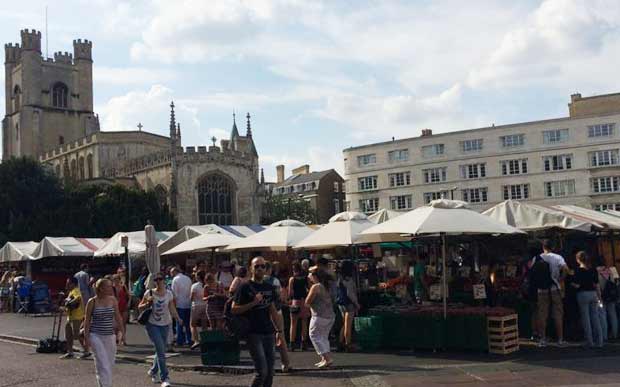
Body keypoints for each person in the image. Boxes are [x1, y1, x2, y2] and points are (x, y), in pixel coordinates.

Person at [232, 257, 285, 387]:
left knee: (270, 372)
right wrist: (253, 303)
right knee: (262, 371)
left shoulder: (269, 287)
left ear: (266, 269)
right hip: (253, 332)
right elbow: (234, 309)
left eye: (262, 266)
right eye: (257, 266)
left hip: (269, 332)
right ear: (251, 268)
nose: (260, 269)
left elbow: (272, 310)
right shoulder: (244, 287)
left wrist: (280, 331)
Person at [140, 272, 183, 387]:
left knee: (161, 350)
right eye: (156, 280)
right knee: (161, 351)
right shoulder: (149, 293)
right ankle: (165, 377)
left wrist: (178, 318)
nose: (158, 281)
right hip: (152, 324)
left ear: (164, 280)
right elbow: (139, 307)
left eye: (160, 279)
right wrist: (146, 303)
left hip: (165, 324)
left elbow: (172, 308)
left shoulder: (169, 294)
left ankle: (153, 371)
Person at [83, 278, 125, 387]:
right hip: (96, 335)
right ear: (101, 288)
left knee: (109, 363)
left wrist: (122, 332)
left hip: (109, 335)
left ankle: (103, 384)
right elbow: (87, 321)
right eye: (108, 286)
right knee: (102, 362)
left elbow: (118, 317)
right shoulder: (92, 301)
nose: (111, 288)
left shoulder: (113, 300)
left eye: (111, 286)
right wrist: (86, 339)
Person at [535, 239, 568, 347]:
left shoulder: (537, 258)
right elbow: (566, 269)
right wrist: (561, 279)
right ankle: (560, 340)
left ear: (543, 247)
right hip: (555, 288)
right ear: (552, 247)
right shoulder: (558, 257)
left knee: (542, 314)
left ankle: (543, 339)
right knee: (558, 314)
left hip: (541, 290)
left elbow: (531, 272)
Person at [571, 251, 604, 348]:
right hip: (593, 294)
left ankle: (590, 341)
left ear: (578, 260)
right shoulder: (593, 270)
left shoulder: (577, 271)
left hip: (583, 294)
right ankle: (600, 341)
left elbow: (577, 285)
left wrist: (571, 283)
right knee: (595, 318)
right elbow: (596, 285)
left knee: (586, 319)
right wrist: (599, 297)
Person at [306, 266, 335, 368]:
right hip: (330, 316)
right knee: (323, 337)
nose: (308, 275)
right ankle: (325, 359)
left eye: (310, 273)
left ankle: (327, 358)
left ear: (315, 276)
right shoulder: (326, 285)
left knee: (314, 335)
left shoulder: (315, 287)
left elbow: (307, 302)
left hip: (319, 316)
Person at [265, 261, 291, 373]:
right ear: (269, 269)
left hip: (262, 313)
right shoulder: (274, 280)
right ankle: (285, 365)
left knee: (265, 340)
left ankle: (266, 365)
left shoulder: (255, 281)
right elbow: (279, 296)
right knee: (280, 337)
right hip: (276, 310)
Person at [59, 277, 90, 359]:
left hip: (77, 317)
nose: (67, 285)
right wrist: (65, 308)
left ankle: (86, 351)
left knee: (78, 335)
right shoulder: (71, 292)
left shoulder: (76, 290)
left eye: (68, 283)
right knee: (68, 335)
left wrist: (69, 304)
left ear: (73, 284)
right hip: (70, 317)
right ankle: (70, 352)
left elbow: (78, 298)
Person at [337, 260, 360, 352]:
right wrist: (356, 303)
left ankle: (340, 342)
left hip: (341, 303)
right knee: (348, 325)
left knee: (344, 324)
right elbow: (350, 293)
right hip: (349, 303)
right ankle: (348, 344)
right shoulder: (349, 279)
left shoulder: (340, 279)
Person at [288, 262, 310, 351]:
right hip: (304, 301)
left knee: (293, 324)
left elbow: (290, 293)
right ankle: (303, 343)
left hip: (295, 302)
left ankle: (292, 343)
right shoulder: (306, 278)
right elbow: (309, 288)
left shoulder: (292, 279)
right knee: (304, 323)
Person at [596, 258, 618, 340]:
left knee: (602, 315)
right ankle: (615, 334)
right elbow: (617, 283)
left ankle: (604, 336)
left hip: (601, 295)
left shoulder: (596, 271)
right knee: (613, 314)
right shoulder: (613, 269)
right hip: (611, 296)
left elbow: (596, 283)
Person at [170, 267, 192, 346]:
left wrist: (173, 305)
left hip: (179, 304)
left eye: (171, 273)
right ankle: (189, 339)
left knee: (179, 323)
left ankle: (180, 340)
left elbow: (174, 294)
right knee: (187, 324)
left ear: (174, 272)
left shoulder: (175, 280)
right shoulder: (188, 278)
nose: (171, 275)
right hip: (188, 304)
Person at [190, 270, 208, 350]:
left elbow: (191, 298)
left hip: (196, 305)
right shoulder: (206, 285)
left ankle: (196, 340)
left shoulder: (195, 286)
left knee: (193, 324)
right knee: (204, 324)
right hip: (205, 305)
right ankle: (205, 340)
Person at [112, 275, 129, 345]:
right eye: (114, 279)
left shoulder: (123, 287)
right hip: (116, 307)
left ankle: (123, 339)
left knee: (123, 324)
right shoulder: (112, 288)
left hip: (124, 306)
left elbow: (129, 295)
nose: (116, 281)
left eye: (117, 279)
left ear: (119, 280)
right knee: (116, 325)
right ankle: (116, 338)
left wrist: (128, 303)